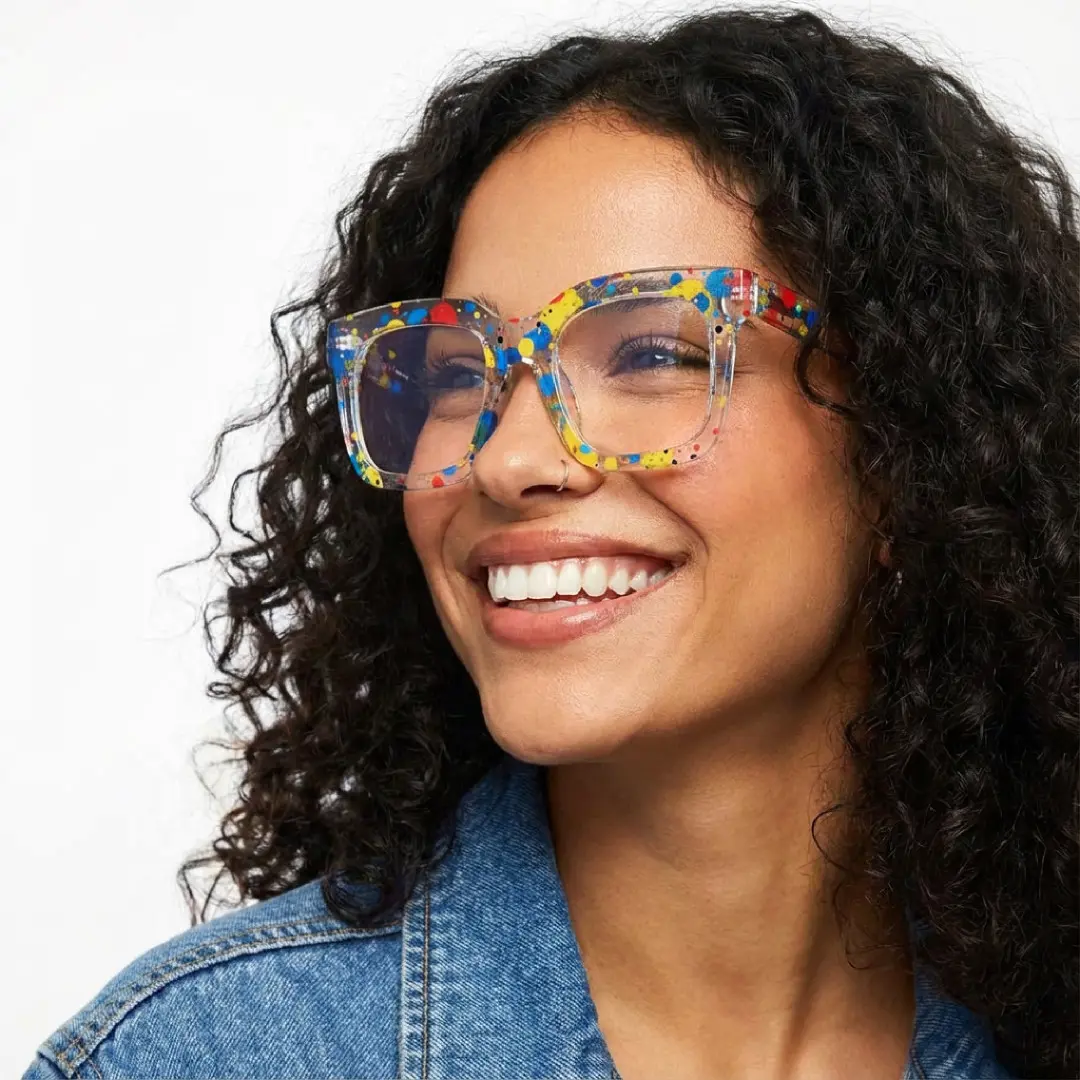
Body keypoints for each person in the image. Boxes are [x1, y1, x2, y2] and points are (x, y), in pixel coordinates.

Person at [22, 7, 1077, 1079]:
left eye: (655, 351)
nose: (503, 457)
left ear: (910, 449)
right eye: (451, 373)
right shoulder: (202, 1057)